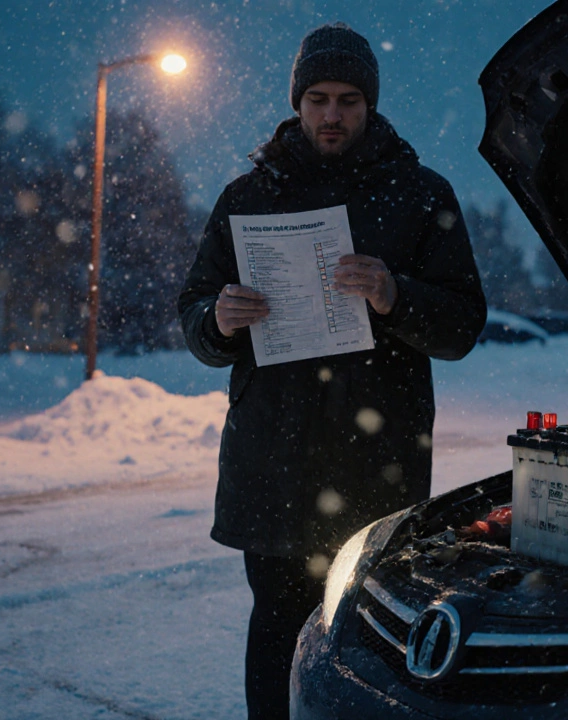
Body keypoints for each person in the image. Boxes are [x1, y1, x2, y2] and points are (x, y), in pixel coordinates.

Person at [177, 21, 486, 719]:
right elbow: (194, 311)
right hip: (272, 457)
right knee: (276, 624)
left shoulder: (420, 194)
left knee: (368, 631)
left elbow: (464, 324)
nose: (332, 115)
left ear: (369, 104)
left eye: (348, 99)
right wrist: (216, 319)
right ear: (297, 103)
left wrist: (395, 295)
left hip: (375, 461)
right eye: (317, 99)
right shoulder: (246, 197)